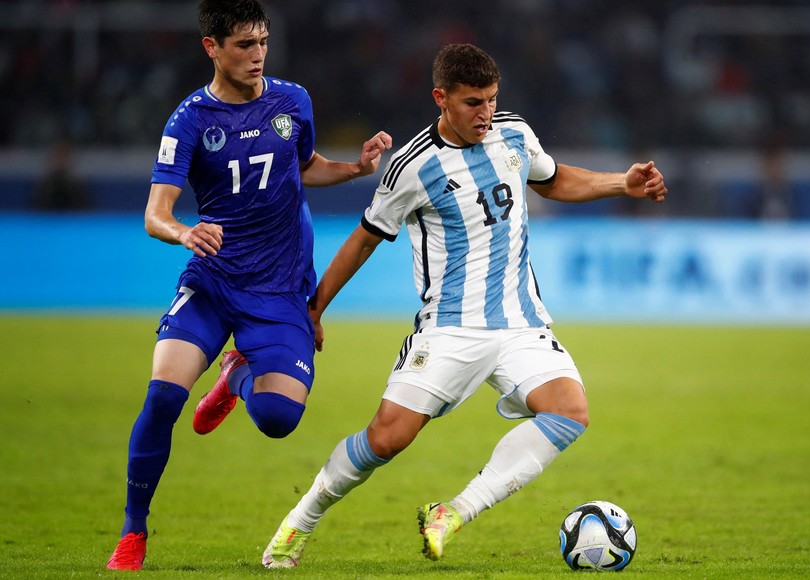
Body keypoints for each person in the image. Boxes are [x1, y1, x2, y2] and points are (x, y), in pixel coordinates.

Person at [260, 43, 667, 569]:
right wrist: (314, 310)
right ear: (441, 98)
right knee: (386, 440)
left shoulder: (514, 133)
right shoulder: (412, 167)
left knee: (569, 412)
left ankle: (451, 513)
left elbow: (551, 179)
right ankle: (299, 522)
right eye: (474, 102)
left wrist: (620, 184)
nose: (486, 113)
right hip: (449, 329)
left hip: (521, 323)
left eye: (492, 100)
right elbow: (363, 239)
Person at [105, 0, 391, 571]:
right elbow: (155, 215)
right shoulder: (189, 120)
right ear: (211, 47)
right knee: (163, 396)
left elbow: (303, 165)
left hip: (282, 289)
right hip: (213, 281)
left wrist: (355, 169)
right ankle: (133, 532)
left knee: (278, 420)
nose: (257, 55)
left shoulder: (292, 100)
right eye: (243, 45)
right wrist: (185, 233)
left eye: (262, 42)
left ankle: (237, 375)